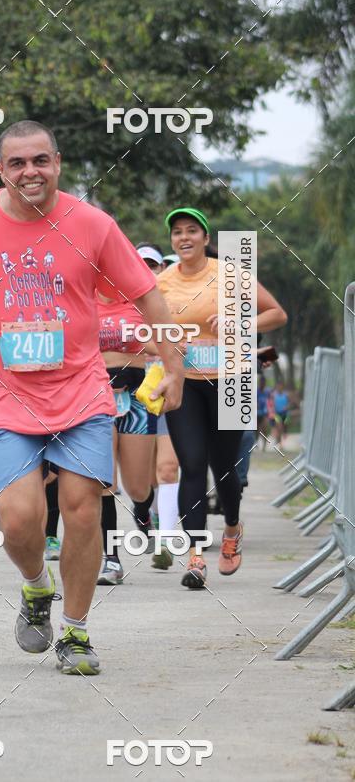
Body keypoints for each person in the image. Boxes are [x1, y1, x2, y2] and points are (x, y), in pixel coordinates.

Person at [0, 120, 184, 675]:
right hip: (4, 395)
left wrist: (173, 364)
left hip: (81, 390)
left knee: (82, 510)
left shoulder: (93, 224)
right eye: (17, 163)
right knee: (18, 520)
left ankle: (76, 632)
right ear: (1, 171)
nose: (29, 172)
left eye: (40, 160)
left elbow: (147, 294)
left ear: (57, 163)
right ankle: (36, 585)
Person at [157, 208, 287, 589]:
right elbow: (145, 330)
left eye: (191, 231)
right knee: (192, 464)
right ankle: (195, 557)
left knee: (225, 468)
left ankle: (232, 527)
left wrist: (240, 324)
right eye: (177, 232)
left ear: (205, 238)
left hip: (231, 381)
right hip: (186, 383)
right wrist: (167, 343)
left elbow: (277, 314)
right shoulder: (162, 282)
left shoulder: (230, 274)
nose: (184, 238)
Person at [96, 289, 159, 585]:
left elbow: (163, 343)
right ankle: (111, 559)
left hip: (136, 395)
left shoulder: (139, 301)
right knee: (104, 482)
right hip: (96, 393)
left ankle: (143, 512)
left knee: (137, 487)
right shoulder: (82, 298)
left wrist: (143, 340)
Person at [138, 245, 180, 571]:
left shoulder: (172, 300)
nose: (148, 270)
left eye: (153, 265)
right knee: (143, 475)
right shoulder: (120, 304)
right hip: (132, 397)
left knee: (167, 467)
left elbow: (181, 343)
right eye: (141, 265)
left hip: (165, 391)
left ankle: (165, 540)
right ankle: (148, 513)